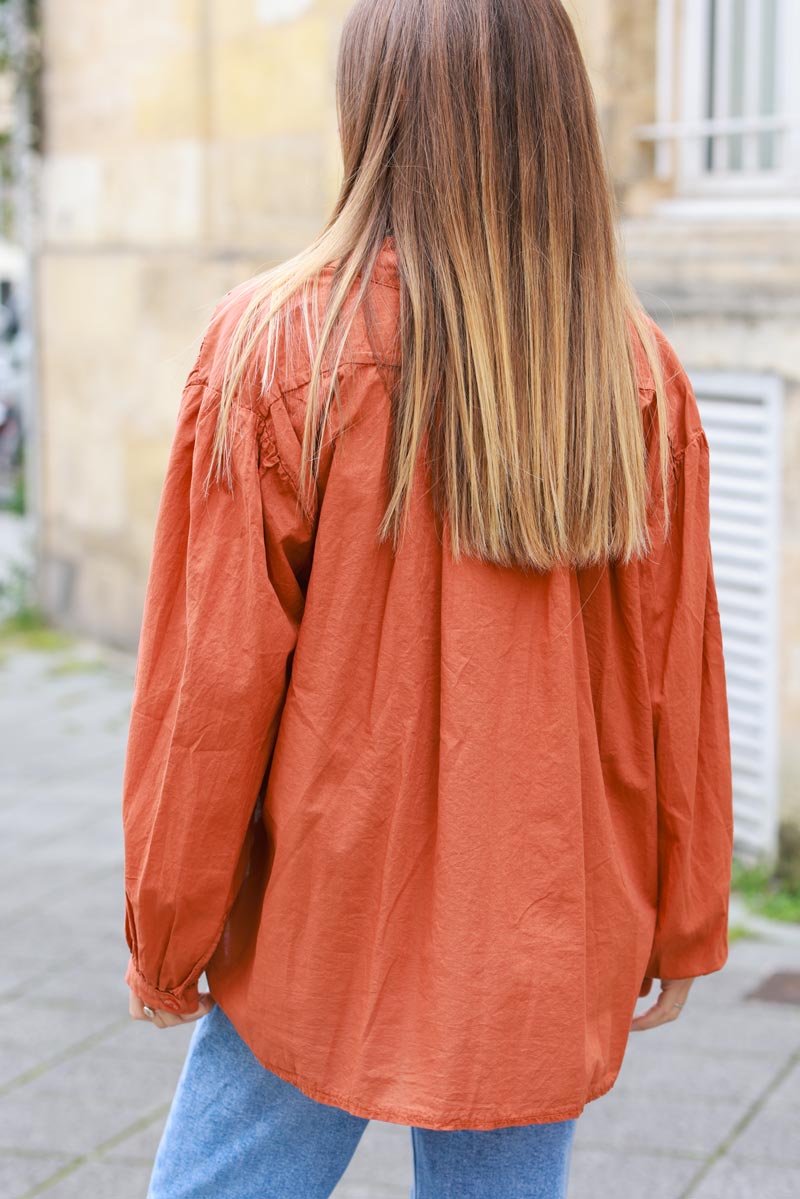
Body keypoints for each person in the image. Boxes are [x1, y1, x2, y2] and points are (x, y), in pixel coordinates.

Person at [121, 1, 734, 1196]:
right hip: (543, 920)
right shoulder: (632, 370)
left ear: (376, 113)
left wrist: (170, 924)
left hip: (320, 914)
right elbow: (680, 682)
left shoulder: (276, 348)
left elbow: (210, 686)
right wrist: (683, 909)